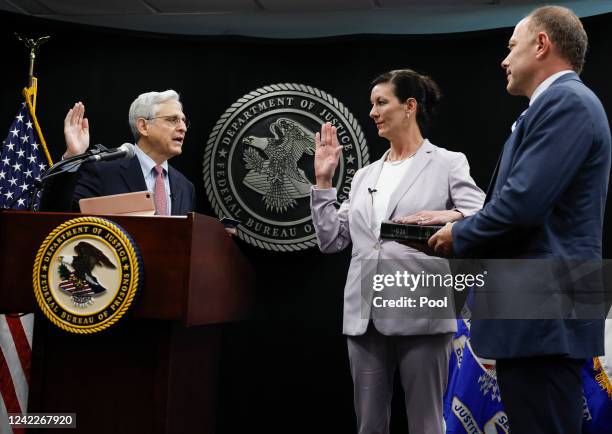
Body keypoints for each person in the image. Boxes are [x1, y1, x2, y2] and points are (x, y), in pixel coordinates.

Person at [429, 6, 611, 433]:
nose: (504, 59)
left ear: (542, 44)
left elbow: (523, 207)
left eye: (512, 46)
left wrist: (458, 234)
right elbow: (530, 204)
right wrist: (458, 216)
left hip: (543, 313)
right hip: (537, 312)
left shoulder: (567, 102)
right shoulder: (556, 106)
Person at [310, 69, 485, 434]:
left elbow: (482, 215)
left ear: (409, 106)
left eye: (381, 102)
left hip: (421, 309)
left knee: (425, 423)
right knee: (369, 425)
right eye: (371, 104)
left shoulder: (448, 162)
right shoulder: (364, 176)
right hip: (365, 315)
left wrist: (448, 214)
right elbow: (332, 240)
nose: (372, 112)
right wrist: (324, 180)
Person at [42, 90, 195, 215]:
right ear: (143, 126)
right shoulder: (103, 173)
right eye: (173, 120)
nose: (183, 128)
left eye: (183, 121)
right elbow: (56, 215)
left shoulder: (185, 187)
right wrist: (73, 156)